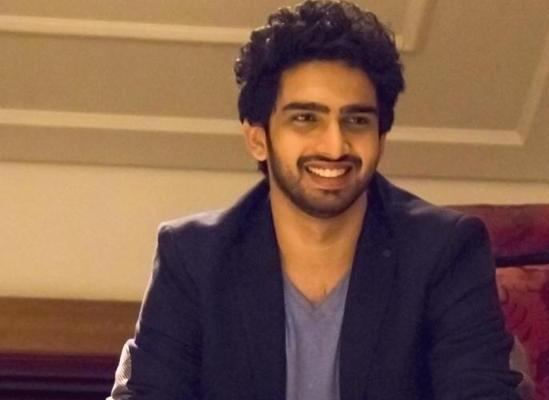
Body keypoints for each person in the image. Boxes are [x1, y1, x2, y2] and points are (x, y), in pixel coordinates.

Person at [109, 1, 522, 399]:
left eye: (356, 120)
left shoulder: (444, 251)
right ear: (257, 139)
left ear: (381, 137)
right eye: (306, 118)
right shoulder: (193, 258)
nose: (335, 146)